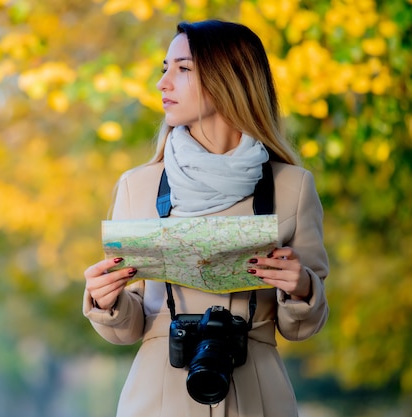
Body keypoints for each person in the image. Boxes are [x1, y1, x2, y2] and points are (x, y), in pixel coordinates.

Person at [82, 19, 329, 417]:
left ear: (229, 79)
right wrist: (104, 299)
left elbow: (300, 328)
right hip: (158, 396)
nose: (163, 83)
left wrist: (301, 288)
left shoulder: (293, 187)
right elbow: (127, 329)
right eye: (165, 69)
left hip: (258, 396)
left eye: (182, 69)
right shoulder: (137, 186)